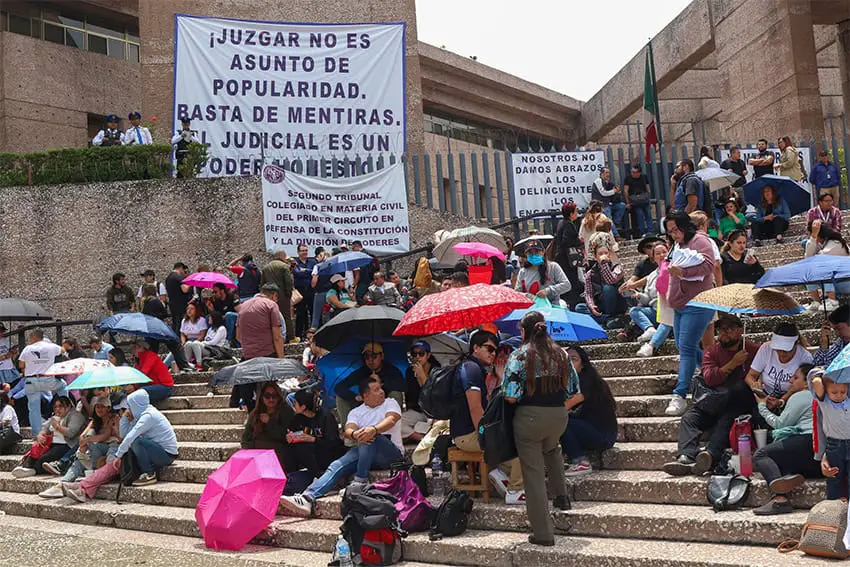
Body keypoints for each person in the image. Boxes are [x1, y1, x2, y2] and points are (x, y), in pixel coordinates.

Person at [280, 376, 404, 516]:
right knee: (336, 464)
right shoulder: (356, 412)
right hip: (366, 452)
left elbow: (391, 419)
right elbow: (348, 430)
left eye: (381, 388)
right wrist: (355, 434)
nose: (381, 391)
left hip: (391, 454)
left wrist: (373, 430)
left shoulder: (390, 403)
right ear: (365, 395)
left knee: (370, 436)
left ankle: (360, 481)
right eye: (376, 390)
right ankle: (307, 497)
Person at [500, 312, 572, 546]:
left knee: (533, 474)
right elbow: (572, 387)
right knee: (552, 448)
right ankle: (562, 497)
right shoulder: (561, 353)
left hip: (530, 418)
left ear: (524, 331)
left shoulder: (519, 355)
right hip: (559, 416)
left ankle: (543, 533)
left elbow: (510, 396)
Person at [662, 315, 760, 476]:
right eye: (721, 330)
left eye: (729, 329)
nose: (724, 334)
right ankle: (686, 455)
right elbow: (710, 378)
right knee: (689, 418)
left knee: (734, 401)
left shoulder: (753, 349)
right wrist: (732, 363)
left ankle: (709, 455)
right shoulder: (712, 352)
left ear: (740, 331)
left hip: (738, 403)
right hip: (713, 399)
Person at [451, 330, 524, 504]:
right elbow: (475, 408)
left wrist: (499, 379)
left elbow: (488, 404)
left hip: (467, 431)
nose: (493, 353)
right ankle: (515, 490)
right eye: (489, 349)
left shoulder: (474, 368)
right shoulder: (472, 369)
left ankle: (500, 474)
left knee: (514, 448)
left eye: (495, 350)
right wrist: (485, 436)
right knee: (524, 444)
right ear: (475, 348)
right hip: (468, 434)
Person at [664, 210, 716, 416]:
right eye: (669, 232)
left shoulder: (701, 241)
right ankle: (712, 373)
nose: (673, 235)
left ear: (685, 226)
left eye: (675, 230)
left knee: (685, 347)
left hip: (698, 302)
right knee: (681, 345)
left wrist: (683, 272)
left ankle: (679, 394)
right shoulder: (677, 244)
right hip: (679, 303)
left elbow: (709, 265)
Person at [751, 363, 819, 515]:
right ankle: (786, 481)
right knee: (780, 461)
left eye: (796, 377)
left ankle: (779, 500)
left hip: (806, 440)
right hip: (821, 456)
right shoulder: (825, 395)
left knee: (762, 455)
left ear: (807, 381)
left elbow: (780, 423)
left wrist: (761, 406)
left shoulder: (802, 395)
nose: (791, 381)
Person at [561, 345, 617, 476]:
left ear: (583, 364)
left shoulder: (588, 380)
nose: (568, 363)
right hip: (590, 428)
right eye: (566, 360)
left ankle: (580, 462)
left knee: (560, 421)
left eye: (573, 359)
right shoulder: (571, 381)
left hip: (604, 435)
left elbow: (565, 406)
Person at [234, 283, 285, 412]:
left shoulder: (243, 307)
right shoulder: (271, 305)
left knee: (249, 390)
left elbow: (238, 336)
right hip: (267, 354)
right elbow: (277, 337)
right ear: (274, 295)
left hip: (248, 356)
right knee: (271, 390)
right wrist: (281, 359)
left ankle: (253, 414)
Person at [334, 342, 406, 426]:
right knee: (340, 398)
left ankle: (392, 424)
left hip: (385, 403)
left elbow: (403, 386)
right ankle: (348, 429)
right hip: (366, 403)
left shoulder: (392, 370)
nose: (370, 360)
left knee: (396, 394)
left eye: (374, 356)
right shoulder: (362, 371)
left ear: (382, 356)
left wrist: (381, 384)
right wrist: (355, 396)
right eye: (367, 357)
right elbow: (339, 387)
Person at [11, 396, 85, 477]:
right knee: (35, 452)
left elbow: (71, 433)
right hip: (52, 443)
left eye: (60, 406)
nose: (57, 409)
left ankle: (33, 470)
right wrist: (40, 435)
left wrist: (57, 426)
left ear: (68, 406)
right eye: (55, 407)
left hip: (67, 445)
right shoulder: (55, 417)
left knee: (44, 458)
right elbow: (45, 427)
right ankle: (26, 467)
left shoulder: (76, 416)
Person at [286, 388, 344, 489]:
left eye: (295, 403)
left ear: (303, 406)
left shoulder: (326, 417)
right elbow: (291, 432)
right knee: (294, 448)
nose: (293, 405)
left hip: (328, 453)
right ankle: (291, 477)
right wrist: (290, 437)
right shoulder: (298, 418)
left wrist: (313, 439)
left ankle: (320, 477)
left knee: (305, 447)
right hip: (310, 456)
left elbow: (333, 443)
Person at [745, 322, 813, 402]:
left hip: (792, 398)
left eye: (786, 350)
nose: (781, 353)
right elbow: (750, 376)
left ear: (796, 344)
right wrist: (754, 386)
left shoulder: (805, 357)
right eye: (778, 349)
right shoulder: (766, 348)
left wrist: (782, 400)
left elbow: (804, 387)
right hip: (765, 393)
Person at [810, 368, 850, 501]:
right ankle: (834, 506)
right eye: (834, 392)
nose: (839, 395)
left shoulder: (848, 400)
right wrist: (825, 374)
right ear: (826, 392)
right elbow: (814, 380)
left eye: (842, 392)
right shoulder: (825, 402)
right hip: (834, 445)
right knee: (834, 477)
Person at [19, 329, 64, 432]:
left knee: (33, 409)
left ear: (34, 337)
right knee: (63, 385)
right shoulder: (51, 346)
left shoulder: (27, 348)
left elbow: (21, 364)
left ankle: (36, 435)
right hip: (47, 379)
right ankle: (65, 408)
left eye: (30, 338)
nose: (29, 340)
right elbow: (62, 350)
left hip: (31, 380)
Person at [627, 241, 672, 344]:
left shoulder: (674, 269)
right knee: (634, 310)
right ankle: (649, 329)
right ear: (653, 258)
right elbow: (647, 299)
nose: (661, 255)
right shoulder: (651, 276)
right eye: (658, 253)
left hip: (671, 310)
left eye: (664, 252)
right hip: (655, 311)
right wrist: (639, 295)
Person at [241, 381, 295, 466]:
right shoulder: (255, 413)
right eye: (267, 396)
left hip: (278, 455)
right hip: (257, 455)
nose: (271, 399)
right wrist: (250, 453)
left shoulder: (286, 412)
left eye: (274, 396)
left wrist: (269, 422)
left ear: (279, 397)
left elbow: (286, 436)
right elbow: (246, 438)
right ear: (262, 397)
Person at [804, 219, 850, 313]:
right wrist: (813, 238)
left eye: (809, 234)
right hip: (838, 281)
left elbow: (818, 260)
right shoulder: (822, 244)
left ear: (818, 234)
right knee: (807, 270)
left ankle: (832, 302)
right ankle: (816, 302)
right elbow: (807, 260)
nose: (808, 237)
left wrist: (813, 237)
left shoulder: (835, 244)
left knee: (822, 267)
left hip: (846, 281)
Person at [575, 244, 626, 325]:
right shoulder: (590, 273)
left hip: (616, 303)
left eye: (606, 253)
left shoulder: (617, 268)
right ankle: (607, 319)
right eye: (600, 254)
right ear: (595, 257)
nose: (604, 255)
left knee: (607, 288)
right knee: (579, 307)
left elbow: (611, 280)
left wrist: (604, 264)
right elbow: (588, 293)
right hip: (601, 304)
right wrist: (591, 306)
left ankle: (608, 317)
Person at [514, 239, 571, 304]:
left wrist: (548, 290)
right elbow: (517, 293)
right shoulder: (522, 272)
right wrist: (528, 296)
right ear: (526, 255)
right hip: (531, 308)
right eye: (530, 253)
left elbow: (567, 285)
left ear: (543, 252)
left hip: (552, 307)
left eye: (537, 252)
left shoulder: (553, 267)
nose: (534, 255)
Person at [403, 341, 438, 442]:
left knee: (439, 425)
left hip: (433, 411)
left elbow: (435, 395)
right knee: (397, 423)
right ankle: (422, 439)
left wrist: (423, 377)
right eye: (414, 354)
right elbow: (410, 395)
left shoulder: (436, 371)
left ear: (428, 355)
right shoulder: (410, 372)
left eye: (421, 353)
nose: (418, 357)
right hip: (417, 410)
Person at [553, 202, 583, 305]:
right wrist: (578, 241)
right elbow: (567, 241)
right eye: (575, 211)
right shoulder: (568, 224)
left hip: (561, 257)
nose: (577, 213)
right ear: (571, 213)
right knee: (571, 280)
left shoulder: (561, 222)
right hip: (567, 259)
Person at [262, 251, 295, 342]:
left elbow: (262, 283)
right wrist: (288, 294)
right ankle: (290, 337)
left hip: (268, 296)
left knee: (270, 317)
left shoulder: (266, 267)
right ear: (282, 256)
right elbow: (288, 282)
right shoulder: (284, 266)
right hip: (282, 296)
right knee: (286, 316)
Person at [591, 167, 625, 239]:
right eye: (606, 173)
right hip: (602, 205)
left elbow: (613, 194)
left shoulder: (608, 183)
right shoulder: (598, 181)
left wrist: (617, 191)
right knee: (608, 218)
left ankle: (614, 225)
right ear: (601, 173)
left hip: (609, 204)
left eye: (609, 173)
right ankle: (616, 236)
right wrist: (613, 191)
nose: (608, 174)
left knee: (622, 206)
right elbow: (603, 193)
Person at [293, 244, 317, 339]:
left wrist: (304, 271)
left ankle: (313, 334)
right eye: (303, 251)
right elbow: (297, 273)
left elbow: (314, 273)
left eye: (306, 250)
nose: (305, 252)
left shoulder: (312, 262)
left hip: (311, 290)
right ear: (298, 252)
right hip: (300, 291)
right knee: (301, 313)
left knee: (312, 312)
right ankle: (299, 334)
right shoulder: (295, 262)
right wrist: (308, 272)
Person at [623, 165, 653, 236]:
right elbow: (625, 191)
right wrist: (628, 203)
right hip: (636, 202)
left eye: (634, 172)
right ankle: (643, 232)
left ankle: (650, 231)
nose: (633, 173)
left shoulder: (644, 177)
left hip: (643, 200)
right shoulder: (628, 178)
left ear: (639, 173)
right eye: (632, 172)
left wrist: (648, 197)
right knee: (640, 216)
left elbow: (648, 188)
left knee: (648, 215)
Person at [165, 262, 193, 334]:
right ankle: (178, 342)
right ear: (180, 268)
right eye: (183, 270)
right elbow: (185, 289)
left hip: (173, 304)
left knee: (175, 324)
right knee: (180, 325)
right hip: (180, 306)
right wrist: (191, 282)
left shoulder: (169, 277)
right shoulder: (178, 277)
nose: (183, 272)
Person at [310, 248, 333, 328]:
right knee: (328, 315)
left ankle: (312, 335)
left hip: (320, 293)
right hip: (331, 293)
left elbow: (313, 283)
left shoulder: (317, 266)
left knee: (316, 315)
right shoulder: (332, 266)